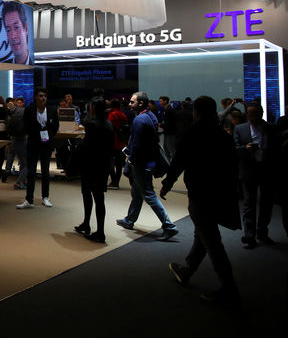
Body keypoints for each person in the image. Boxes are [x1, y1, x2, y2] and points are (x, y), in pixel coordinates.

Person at [161, 96, 241, 307]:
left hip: (200, 194)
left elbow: (179, 161)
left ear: (196, 112)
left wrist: (167, 183)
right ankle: (187, 270)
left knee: (212, 242)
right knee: (203, 235)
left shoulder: (193, 133)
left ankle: (229, 289)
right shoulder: (223, 136)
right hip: (220, 193)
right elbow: (233, 167)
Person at [116, 92, 179, 240]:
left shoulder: (139, 120)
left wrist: (130, 160)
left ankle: (169, 226)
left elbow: (136, 144)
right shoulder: (151, 116)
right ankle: (129, 220)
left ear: (141, 104)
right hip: (148, 162)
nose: (129, 104)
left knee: (148, 194)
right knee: (137, 192)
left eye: (132, 102)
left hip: (140, 163)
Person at [233, 102, 275, 248]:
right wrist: (246, 148)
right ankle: (249, 236)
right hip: (248, 170)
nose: (252, 117)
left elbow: (275, 150)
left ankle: (262, 232)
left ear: (261, 113)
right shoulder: (240, 128)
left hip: (266, 170)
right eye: (250, 114)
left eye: (255, 114)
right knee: (249, 203)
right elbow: (234, 149)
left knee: (266, 204)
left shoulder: (270, 128)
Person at [74, 97, 115, 243]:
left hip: (91, 165)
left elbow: (87, 146)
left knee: (87, 194)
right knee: (99, 198)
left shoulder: (91, 124)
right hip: (103, 165)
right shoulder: (109, 124)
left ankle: (90, 226)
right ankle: (99, 229)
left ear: (92, 108)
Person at [17, 87, 59, 209]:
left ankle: (45, 197)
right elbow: (26, 126)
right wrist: (35, 134)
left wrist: (49, 136)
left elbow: (55, 126)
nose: (43, 98)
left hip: (46, 144)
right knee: (31, 171)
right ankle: (29, 199)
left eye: (45, 96)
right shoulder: (29, 110)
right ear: (35, 97)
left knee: (45, 172)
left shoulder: (51, 110)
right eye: (40, 96)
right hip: (33, 144)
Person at [5, 98, 27, 187]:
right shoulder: (25, 111)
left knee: (11, 154)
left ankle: (7, 170)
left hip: (14, 139)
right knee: (24, 162)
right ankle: (20, 181)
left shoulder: (12, 114)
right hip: (23, 138)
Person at [107, 99, 128, 190]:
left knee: (110, 162)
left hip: (113, 141)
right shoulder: (122, 114)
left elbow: (109, 128)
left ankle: (114, 180)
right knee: (119, 164)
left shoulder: (113, 114)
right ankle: (116, 182)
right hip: (121, 142)